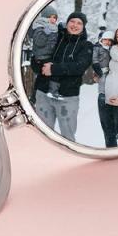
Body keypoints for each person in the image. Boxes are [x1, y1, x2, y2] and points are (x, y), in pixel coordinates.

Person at [31, 11, 93, 142]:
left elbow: (79, 67)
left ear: (83, 27)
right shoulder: (56, 37)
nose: (75, 25)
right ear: (67, 22)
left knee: (67, 137)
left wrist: (53, 69)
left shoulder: (86, 46)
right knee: (42, 136)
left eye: (79, 23)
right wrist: (37, 62)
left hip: (67, 97)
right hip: (44, 94)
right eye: (72, 21)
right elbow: (38, 62)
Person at [92, 30, 114, 147]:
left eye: (110, 41)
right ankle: (110, 145)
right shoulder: (97, 48)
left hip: (113, 82)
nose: (107, 42)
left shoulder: (112, 49)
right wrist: (99, 71)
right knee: (106, 124)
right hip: (102, 77)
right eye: (105, 40)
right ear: (101, 40)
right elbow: (94, 61)